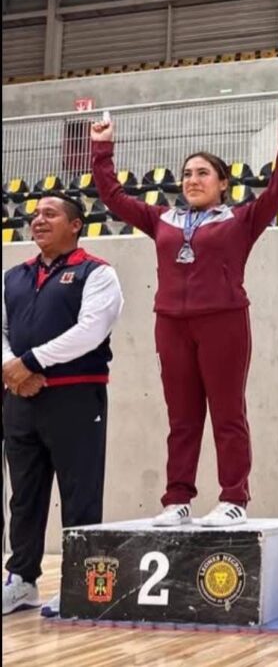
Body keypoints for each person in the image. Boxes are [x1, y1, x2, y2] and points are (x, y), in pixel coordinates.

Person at [90, 105, 278, 528]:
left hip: (223, 321)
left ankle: (234, 498)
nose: (192, 180)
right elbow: (112, 196)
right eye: (187, 173)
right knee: (181, 417)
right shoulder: (162, 219)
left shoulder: (241, 219)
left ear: (223, 183)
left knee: (227, 413)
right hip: (171, 323)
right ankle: (178, 500)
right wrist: (102, 148)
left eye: (203, 173)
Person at [2, 194, 123, 617]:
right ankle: (21, 580)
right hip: (20, 398)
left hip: (76, 397)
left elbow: (90, 331)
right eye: (35, 214)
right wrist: (13, 370)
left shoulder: (98, 273)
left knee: (80, 494)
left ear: (75, 225)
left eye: (50, 214)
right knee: (24, 496)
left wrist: (30, 362)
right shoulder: (13, 276)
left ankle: (79, 585)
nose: (38, 220)